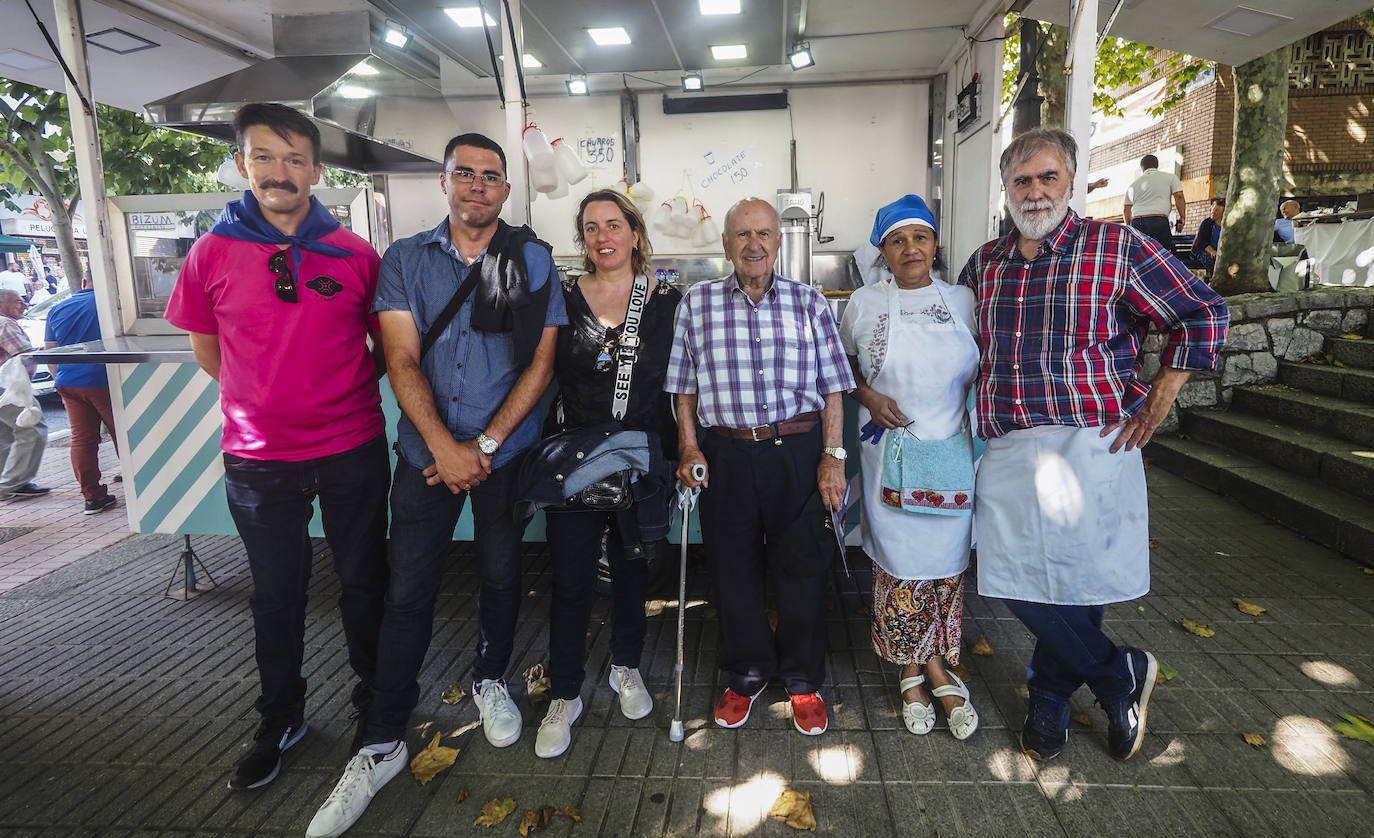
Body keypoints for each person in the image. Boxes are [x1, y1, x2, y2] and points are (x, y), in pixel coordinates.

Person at [309, 132, 566, 837]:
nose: (478, 186)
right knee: (409, 587)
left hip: (504, 452)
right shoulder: (404, 260)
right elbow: (400, 357)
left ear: (506, 190)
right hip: (426, 453)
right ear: (444, 183)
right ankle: (383, 737)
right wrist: (448, 451)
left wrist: (481, 446)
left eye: (491, 176)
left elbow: (540, 367)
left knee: (502, 569)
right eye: (465, 174)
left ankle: (490, 680)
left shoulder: (531, 258)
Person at [959, 128, 1227, 763]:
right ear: (1005, 189)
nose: (1035, 191)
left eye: (1047, 177)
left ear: (1070, 182)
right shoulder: (985, 264)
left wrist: (1165, 389)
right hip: (1008, 444)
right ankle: (1118, 672)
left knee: (1078, 582)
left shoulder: (1116, 246)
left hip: (1091, 442)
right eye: (1021, 180)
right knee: (1008, 578)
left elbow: (1204, 310)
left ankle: (1048, 694)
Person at [164, 103, 391, 798]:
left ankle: (376, 705)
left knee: (362, 582)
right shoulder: (210, 252)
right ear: (242, 164)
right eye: (265, 156)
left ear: (317, 171)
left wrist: (334, 393)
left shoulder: (355, 255)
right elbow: (208, 348)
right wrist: (262, 398)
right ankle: (281, 719)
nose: (280, 172)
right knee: (276, 595)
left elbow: (386, 349)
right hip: (259, 460)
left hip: (352, 444)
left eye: (295, 160)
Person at [666, 197, 855, 737]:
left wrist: (832, 457)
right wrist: (688, 446)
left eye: (764, 233)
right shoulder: (695, 304)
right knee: (732, 567)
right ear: (726, 244)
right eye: (742, 234)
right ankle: (746, 672)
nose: (754, 243)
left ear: (779, 240)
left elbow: (833, 390)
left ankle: (801, 678)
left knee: (802, 566)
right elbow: (683, 387)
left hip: (796, 451)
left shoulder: (809, 303)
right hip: (724, 452)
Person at [530, 189, 681, 759]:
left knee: (633, 571)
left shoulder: (666, 301)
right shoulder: (561, 299)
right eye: (591, 228)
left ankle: (625, 666)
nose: (603, 237)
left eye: (614, 225)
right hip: (576, 458)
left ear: (635, 234)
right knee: (570, 579)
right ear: (583, 239)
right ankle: (564, 693)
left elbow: (685, 381)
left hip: (644, 457)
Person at [839, 194, 979, 740]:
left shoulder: (965, 299)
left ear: (935, 244)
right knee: (898, 563)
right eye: (897, 241)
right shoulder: (865, 304)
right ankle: (911, 672)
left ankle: (937, 664)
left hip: (948, 452)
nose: (910, 248)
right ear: (883, 252)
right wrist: (869, 398)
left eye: (919, 237)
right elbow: (843, 367)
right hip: (889, 451)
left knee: (946, 564)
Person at [44, 276, 117, 513]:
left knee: (82, 439)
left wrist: (60, 378)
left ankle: (92, 496)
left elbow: (50, 352)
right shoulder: (111, 305)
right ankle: (140, 486)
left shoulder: (57, 308)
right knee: (124, 435)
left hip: (69, 381)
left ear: (84, 280)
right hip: (106, 379)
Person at [0, 289, 49, 500]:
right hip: (9, 387)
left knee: (4, 434)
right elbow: (23, 355)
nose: (25, 305)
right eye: (18, 301)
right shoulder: (5, 323)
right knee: (32, 428)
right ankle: (12, 482)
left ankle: (8, 480)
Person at [1123, 154, 1185, 253]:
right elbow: (1179, 196)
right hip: (1158, 221)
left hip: (1137, 223)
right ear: (1157, 165)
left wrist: (1130, 227)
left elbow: (1126, 210)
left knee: (1140, 256)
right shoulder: (1170, 178)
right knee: (1161, 255)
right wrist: (1182, 217)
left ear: (1142, 167)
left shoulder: (1133, 185)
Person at [1191, 197, 1225, 274]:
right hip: (1202, 252)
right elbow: (1202, 242)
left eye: (1217, 210)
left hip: (1219, 254)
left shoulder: (1227, 226)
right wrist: (1212, 251)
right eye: (1212, 210)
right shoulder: (1207, 223)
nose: (1213, 212)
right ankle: (1212, 279)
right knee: (1211, 259)